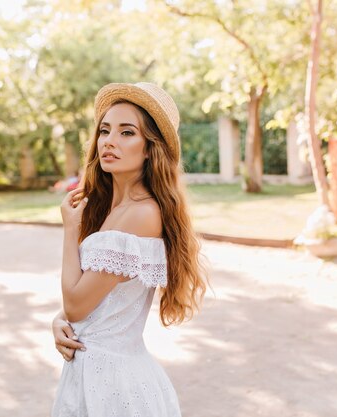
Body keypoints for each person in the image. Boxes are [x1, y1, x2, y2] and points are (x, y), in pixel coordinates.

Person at [51, 82, 207, 417]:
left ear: (150, 148)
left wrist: (70, 230)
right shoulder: (112, 210)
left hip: (114, 385)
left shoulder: (140, 214)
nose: (109, 140)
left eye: (126, 132)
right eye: (105, 130)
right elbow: (92, 303)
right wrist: (59, 321)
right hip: (93, 373)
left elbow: (77, 305)